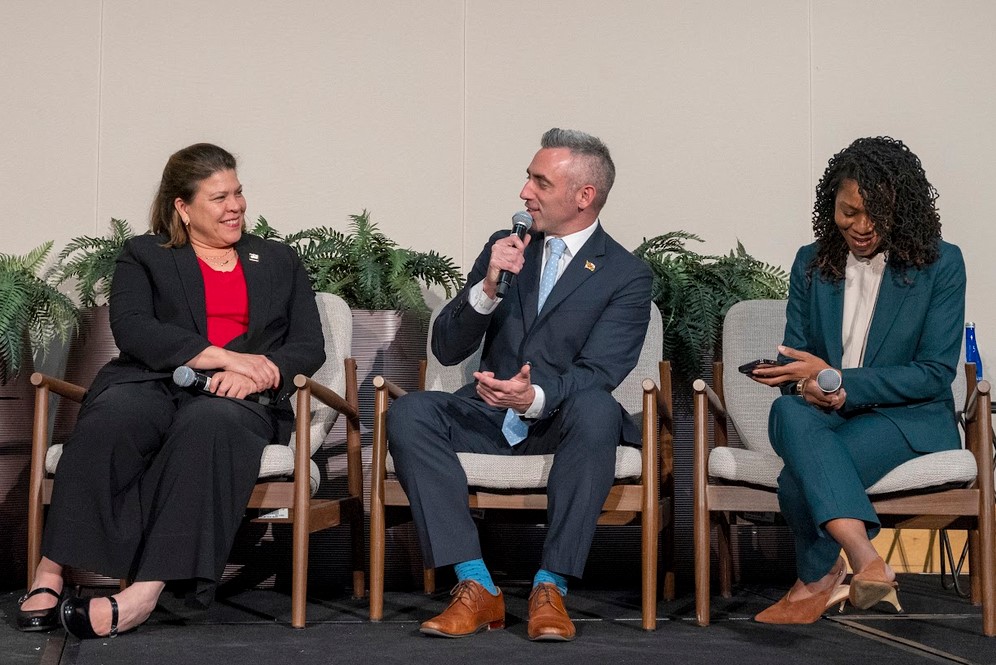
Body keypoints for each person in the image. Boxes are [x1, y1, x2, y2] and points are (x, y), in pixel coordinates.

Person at [16, 143, 325, 638]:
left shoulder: (278, 260)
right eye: (219, 197)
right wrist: (225, 356)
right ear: (182, 206)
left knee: (208, 424)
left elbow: (308, 345)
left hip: (238, 399)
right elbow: (135, 329)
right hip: (154, 381)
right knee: (114, 417)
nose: (236, 206)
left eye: (239, 193)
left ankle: (144, 592)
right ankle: (51, 572)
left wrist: (258, 371)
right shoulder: (146, 255)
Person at [387, 128, 652, 641]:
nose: (524, 192)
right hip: (488, 413)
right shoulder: (505, 247)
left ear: (583, 197)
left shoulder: (625, 274)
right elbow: (446, 347)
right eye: (528, 178)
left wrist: (536, 397)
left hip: (560, 421)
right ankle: (475, 584)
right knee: (410, 413)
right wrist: (487, 289)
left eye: (539, 181)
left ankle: (550, 588)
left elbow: (601, 371)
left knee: (598, 409)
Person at [748, 136, 966, 624]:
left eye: (876, 214)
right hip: (829, 415)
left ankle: (821, 577)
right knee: (786, 408)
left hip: (906, 419)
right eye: (849, 212)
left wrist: (839, 380)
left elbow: (934, 374)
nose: (862, 227)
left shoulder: (940, 263)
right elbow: (795, 360)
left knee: (795, 478)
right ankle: (868, 560)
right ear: (832, 206)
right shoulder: (811, 262)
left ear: (901, 210)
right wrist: (801, 382)